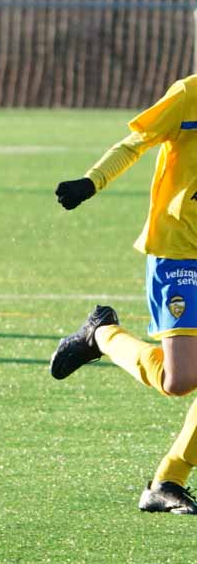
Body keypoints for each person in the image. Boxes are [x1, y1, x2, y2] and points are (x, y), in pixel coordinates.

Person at [51, 76, 197, 514]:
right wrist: (91, 182)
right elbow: (136, 143)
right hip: (179, 253)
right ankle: (101, 335)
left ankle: (167, 481)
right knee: (180, 380)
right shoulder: (189, 95)